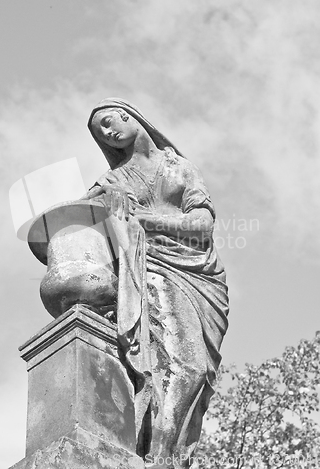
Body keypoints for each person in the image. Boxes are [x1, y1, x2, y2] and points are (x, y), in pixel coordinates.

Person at [83, 98, 229, 468]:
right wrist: (108, 205)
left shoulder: (179, 167)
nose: (108, 132)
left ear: (129, 115)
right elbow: (79, 218)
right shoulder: (114, 181)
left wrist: (147, 219)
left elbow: (203, 226)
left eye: (109, 121)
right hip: (150, 268)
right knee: (184, 366)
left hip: (201, 276)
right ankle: (158, 456)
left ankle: (171, 457)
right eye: (101, 132)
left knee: (198, 373)